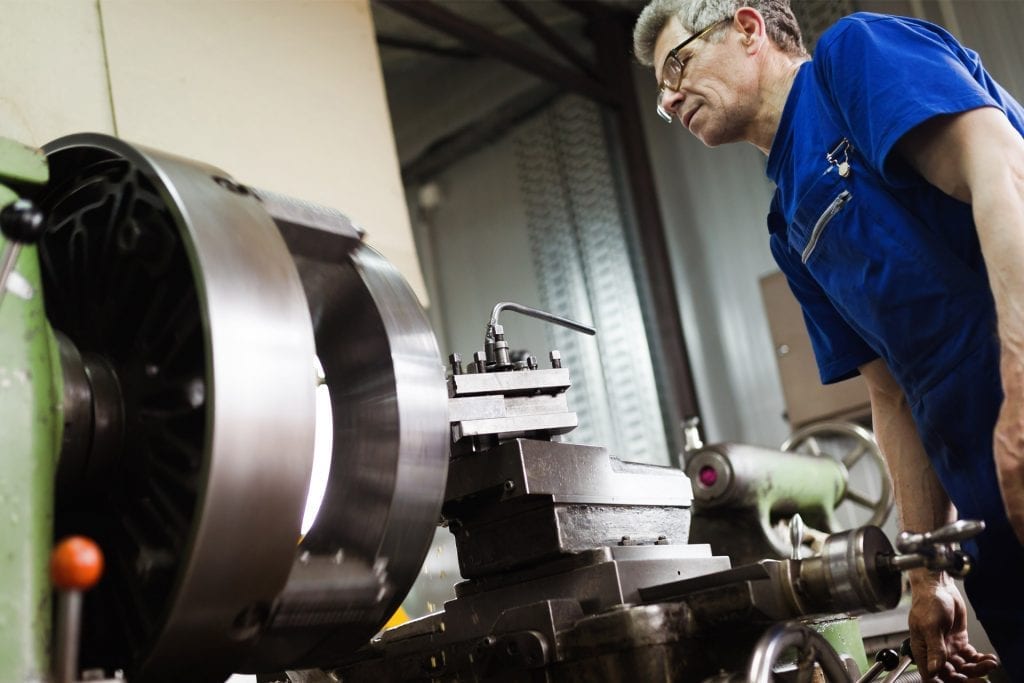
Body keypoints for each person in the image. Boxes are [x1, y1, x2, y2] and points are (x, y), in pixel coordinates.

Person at [633, 1, 1024, 680]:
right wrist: (927, 570)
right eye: (659, 94)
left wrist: (1020, 396)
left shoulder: (852, 58)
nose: (668, 99)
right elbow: (892, 394)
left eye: (678, 64)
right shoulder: (787, 225)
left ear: (749, 28)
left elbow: (1004, 169)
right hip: (992, 513)